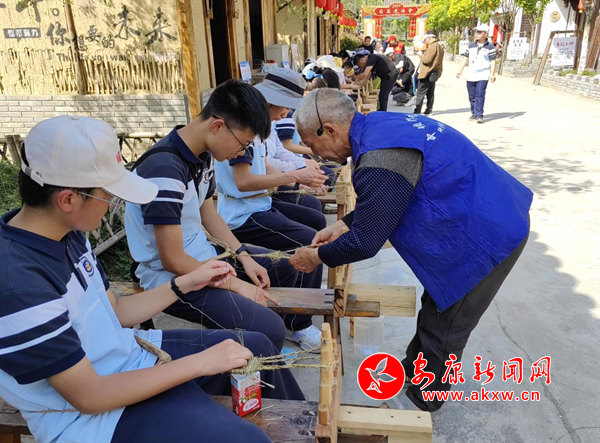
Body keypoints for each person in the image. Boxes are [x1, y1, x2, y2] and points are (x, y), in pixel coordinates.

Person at [0, 115, 304, 443]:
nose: (111, 204)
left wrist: (183, 284)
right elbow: (90, 396)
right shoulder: (20, 285)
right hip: (94, 417)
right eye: (108, 195)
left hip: (129, 358)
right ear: (68, 200)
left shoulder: (68, 234)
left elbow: (116, 312)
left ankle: (303, 430)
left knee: (255, 346)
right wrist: (201, 363)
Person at [288, 89, 533, 413]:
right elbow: (388, 198)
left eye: (311, 143)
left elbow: (366, 241)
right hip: (489, 208)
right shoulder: (377, 127)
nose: (314, 153)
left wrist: (316, 257)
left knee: (446, 324)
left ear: (329, 130)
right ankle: (413, 371)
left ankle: (423, 401)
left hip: (488, 235)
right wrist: (344, 224)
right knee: (435, 306)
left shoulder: (380, 159)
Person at [125, 80, 324, 352]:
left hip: (205, 258)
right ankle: (249, 366)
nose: (241, 153)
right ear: (218, 126)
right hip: (170, 276)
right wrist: (237, 285)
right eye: (243, 144)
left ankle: (287, 331)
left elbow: (210, 216)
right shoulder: (164, 170)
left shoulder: (202, 154)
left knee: (290, 268)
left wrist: (243, 256)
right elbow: (173, 260)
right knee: (268, 328)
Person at [214, 70, 327, 349]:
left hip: (259, 202)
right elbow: (243, 181)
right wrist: (295, 175)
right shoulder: (244, 128)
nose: (286, 113)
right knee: (309, 241)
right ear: (271, 102)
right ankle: (299, 324)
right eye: (284, 107)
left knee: (315, 224)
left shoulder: (258, 127)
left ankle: (302, 297)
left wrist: (299, 175)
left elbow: (265, 165)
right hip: (243, 213)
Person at [456, 24, 497, 123]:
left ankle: (479, 115)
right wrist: (460, 70)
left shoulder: (490, 47)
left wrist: (492, 74)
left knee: (480, 95)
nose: (477, 34)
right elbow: (465, 58)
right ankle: (474, 113)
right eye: (477, 32)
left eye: (480, 32)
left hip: (483, 74)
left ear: (485, 34)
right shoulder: (471, 46)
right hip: (471, 74)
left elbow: (493, 61)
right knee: (472, 96)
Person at [414, 34, 444, 116]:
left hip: (427, 73)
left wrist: (421, 56)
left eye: (425, 40)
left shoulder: (432, 46)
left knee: (420, 93)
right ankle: (429, 110)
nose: (425, 42)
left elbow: (427, 60)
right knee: (430, 93)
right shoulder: (439, 46)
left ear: (429, 38)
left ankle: (417, 111)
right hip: (434, 73)